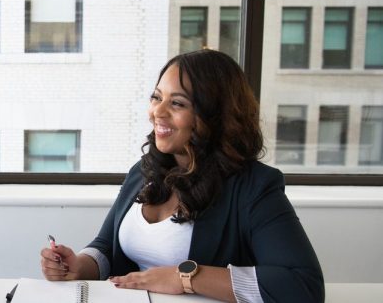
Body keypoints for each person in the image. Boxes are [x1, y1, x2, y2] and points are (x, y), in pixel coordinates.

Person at [39, 50, 324, 302]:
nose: (157, 112)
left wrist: (185, 278)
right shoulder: (144, 171)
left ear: (215, 115)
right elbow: (107, 247)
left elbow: (302, 286)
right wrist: (80, 264)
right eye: (156, 97)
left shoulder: (253, 187)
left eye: (177, 103)